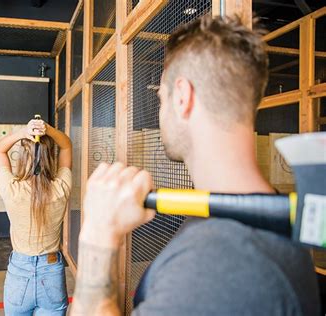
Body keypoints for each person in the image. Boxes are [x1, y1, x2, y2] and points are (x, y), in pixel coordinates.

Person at [71, 15, 320, 315]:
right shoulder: (265, 221)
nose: (160, 112)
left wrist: (98, 233)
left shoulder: (220, 264)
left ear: (182, 98)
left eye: (162, 98)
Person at [0, 118, 72, 315]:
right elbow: (66, 146)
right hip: (52, 271)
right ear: (49, 157)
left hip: (19, 272)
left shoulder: (12, 189)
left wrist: (23, 132)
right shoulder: (60, 188)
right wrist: (48, 129)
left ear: (23, 157)